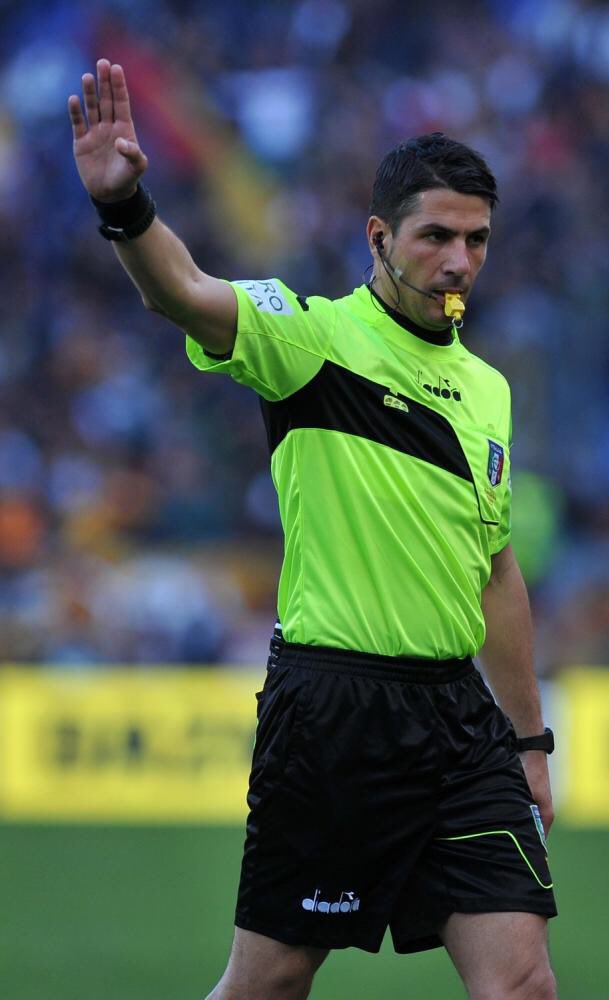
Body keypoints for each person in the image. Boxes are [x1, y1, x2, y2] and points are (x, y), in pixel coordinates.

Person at [69, 59, 558, 1000]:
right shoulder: (311, 341)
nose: (458, 262)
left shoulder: (490, 390)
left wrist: (530, 745)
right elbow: (185, 291)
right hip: (336, 713)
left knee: (523, 983)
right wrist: (127, 209)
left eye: (478, 240)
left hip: (460, 727)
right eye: (435, 237)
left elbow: (495, 572)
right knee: (271, 983)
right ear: (379, 236)